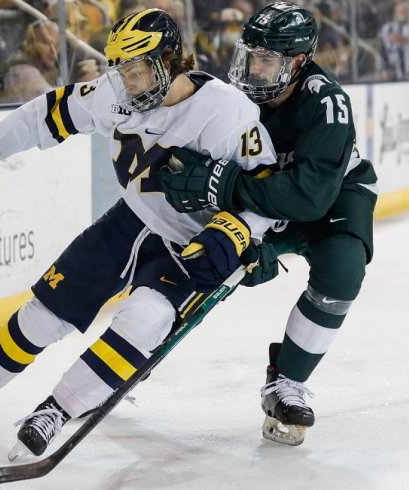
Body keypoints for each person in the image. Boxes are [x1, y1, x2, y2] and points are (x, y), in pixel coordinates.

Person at [0, 8, 282, 459]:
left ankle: (58, 408)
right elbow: (44, 115)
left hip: (190, 245)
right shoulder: (114, 91)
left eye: (137, 71)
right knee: (45, 311)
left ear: (170, 61)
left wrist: (239, 230)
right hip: (128, 221)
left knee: (143, 320)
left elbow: (269, 188)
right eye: (122, 71)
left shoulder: (227, 112)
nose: (128, 83)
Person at [157, 1, 378, 446]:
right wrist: (246, 229)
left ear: (297, 61)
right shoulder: (233, 99)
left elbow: (308, 197)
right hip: (272, 196)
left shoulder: (326, 101)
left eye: (266, 59)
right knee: (211, 258)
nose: (252, 68)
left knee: (342, 268)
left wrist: (225, 190)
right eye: (249, 55)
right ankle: (133, 351)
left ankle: (287, 383)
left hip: (335, 197)